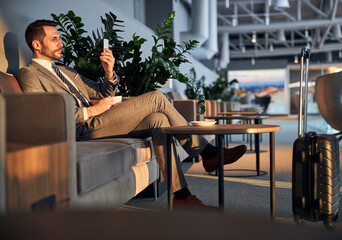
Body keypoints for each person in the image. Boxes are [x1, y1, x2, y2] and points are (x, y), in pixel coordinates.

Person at [18, 19, 247, 208]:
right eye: (54, 39)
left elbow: (100, 91)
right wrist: (92, 110)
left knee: (158, 120)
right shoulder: (29, 74)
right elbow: (43, 112)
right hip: (81, 127)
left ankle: (181, 196)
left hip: (99, 119)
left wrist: (109, 72)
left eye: (60, 37)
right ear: (37, 45)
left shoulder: (66, 71)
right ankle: (207, 152)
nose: (61, 43)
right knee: (157, 97)